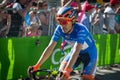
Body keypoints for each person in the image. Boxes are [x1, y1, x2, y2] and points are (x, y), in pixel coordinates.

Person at [28, 6, 98, 80]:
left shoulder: (81, 29)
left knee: (86, 78)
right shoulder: (59, 29)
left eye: (64, 21)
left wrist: (68, 70)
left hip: (90, 54)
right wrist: (37, 65)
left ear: (72, 21)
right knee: (61, 75)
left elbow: (76, 51)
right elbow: (50, 47)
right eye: (59, 21)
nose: (61, 25)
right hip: (75, 53)